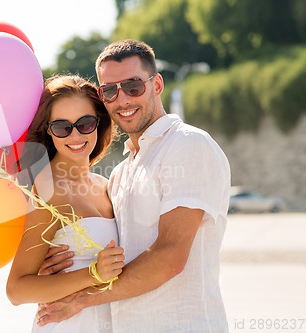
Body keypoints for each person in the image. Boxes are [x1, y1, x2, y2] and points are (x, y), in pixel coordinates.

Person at [35, 40, 231, 333]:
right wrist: (55, 272)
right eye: (109, 90)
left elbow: (169, 257)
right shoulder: (120, 173)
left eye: (133, 86)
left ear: (157, 84)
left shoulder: (188, 144)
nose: (122, 99)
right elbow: (108, 253)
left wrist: (80, 300)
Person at [6, 74, 125, 333]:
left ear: (99, 123)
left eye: (85, 123)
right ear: (48, 131)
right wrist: (92, 273)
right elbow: (16, 289)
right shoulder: (48, 190)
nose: (75, 135)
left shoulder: (105, 185)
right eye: (62, 127)